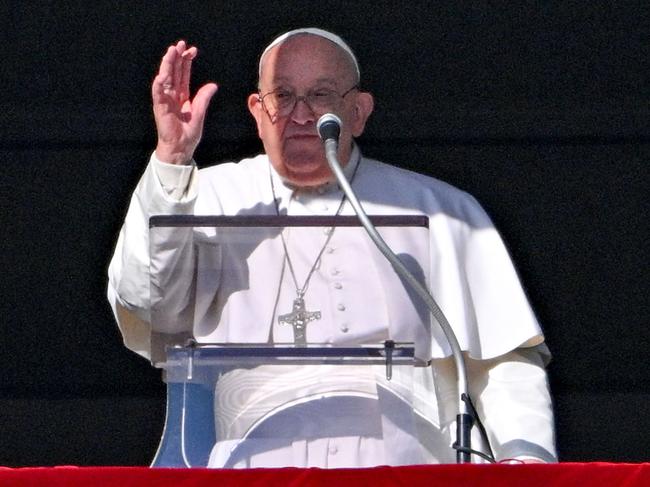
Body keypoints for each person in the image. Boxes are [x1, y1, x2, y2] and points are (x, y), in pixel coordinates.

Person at [108, 28, 557, 467]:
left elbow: (502, 359)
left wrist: (527, 462)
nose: (300, 114)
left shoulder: (439, 209)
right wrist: (171, 157)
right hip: (250, 463)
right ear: (257, 111)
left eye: (321, 96)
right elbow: (150, 304)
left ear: (359, 111)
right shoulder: (206, 196)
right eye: (282, 96)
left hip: (405, 462)